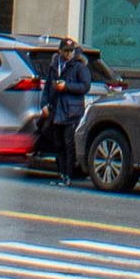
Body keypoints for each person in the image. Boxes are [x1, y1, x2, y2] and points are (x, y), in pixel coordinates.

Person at [37, 37, 93, 180]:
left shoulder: (79, 66)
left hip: (72, 111)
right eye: (66, 51)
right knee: (58, 144)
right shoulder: (55, 65)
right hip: (56, 110)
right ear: (60, 51)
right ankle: (61, 174)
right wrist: (44, 104)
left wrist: (66, 86)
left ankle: (69, 174)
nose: (68, 54)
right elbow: (48, 86)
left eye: (71, 51)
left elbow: (85, 86)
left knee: (69, 144)